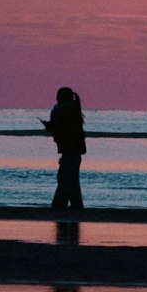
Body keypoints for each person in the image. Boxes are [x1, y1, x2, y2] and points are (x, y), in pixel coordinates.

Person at [43, 85, 89, 213]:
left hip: (69, 149)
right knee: (72, 180)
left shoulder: (63, 110)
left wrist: (52, 127)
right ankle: (76, 205)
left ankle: (59, 205)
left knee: (64, 178)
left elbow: (65, 131)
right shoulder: (72, 110)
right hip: (73, 150)